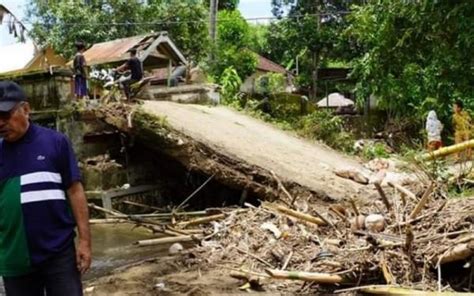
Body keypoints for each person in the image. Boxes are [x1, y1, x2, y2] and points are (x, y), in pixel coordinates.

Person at [0, 81, 91, 296]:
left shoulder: (55, 143)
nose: (1, 123)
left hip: (58, 252)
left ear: (26, 109)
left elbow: (75, 191)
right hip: (15, 256)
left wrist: (85, 242)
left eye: (6, 115)